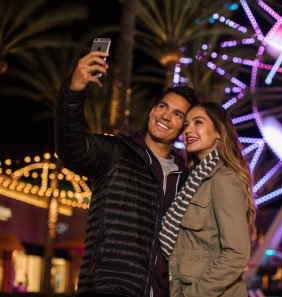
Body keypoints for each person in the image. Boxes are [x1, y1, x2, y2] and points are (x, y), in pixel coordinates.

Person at [54, 50, 199, 297]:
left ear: (182, 128)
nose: (166, 115)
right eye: (163, 106)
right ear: (152, 111)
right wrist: (73, 91)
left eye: (178, 114)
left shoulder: (186, 178)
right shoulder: (116, 152)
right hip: (109, 287)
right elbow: (71, 147)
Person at [159, 102, 256, 296]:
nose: (189, 130)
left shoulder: (224, 180)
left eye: (198, 123)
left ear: (219, 132)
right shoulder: (194, 181)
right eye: (186, 125)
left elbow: (236, 255)